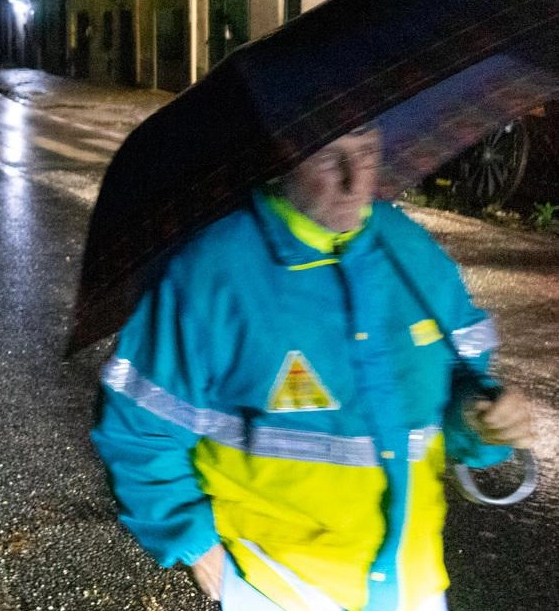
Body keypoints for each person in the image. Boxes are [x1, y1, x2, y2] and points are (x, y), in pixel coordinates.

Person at [91, 124, 536, 611]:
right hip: (276, 584)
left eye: (367, 151)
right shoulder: (212, 273)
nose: (355, 180)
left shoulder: (412, 251)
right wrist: (196, 546)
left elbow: (455, 386)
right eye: (328, 158)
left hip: (411, 583)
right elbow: (139, 427)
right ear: (278, 160)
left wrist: (481, 419)